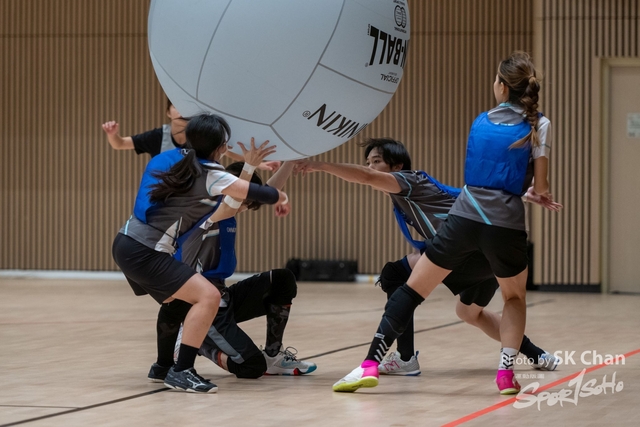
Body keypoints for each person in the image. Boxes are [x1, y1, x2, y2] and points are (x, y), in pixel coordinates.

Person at [326, 51, 553, 394]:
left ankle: (369, 363)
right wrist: (531, 191)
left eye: (496, 79)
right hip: (505, 226)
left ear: (502, 87)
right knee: (513, 299)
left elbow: (480, 177)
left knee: (411, 289)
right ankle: (505, 374)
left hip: (464, 218)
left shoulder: (480, 121)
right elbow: (541, 185)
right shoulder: (540, 125)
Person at [296, 137, 561, 378]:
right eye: (368, 162)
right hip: (484, 259)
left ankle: (405, 358)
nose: (370, 167)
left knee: (395, 274)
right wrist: (523, 194)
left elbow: (365, 177)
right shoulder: (415, 190)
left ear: (397, 166)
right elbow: (467, 195)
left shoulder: (409, 182)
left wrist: (320, 165)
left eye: (376, 161)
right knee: (469, 313)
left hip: (464, 255)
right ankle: (537, 354)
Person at [112, 114, 290, 393]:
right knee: (208, 296)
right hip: (147, 251)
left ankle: (163, 366)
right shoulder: (211, 176)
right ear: (221, 148)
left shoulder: (170, 159)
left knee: (177, 301)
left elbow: (238, 193)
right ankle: (182, 370)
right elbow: (254, 194)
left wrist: (251, 164)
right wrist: (281, 196)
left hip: (125, 242)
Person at [148, 160, 316, 382]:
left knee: (282, 279)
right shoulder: (205, 212)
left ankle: (273, 356)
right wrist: (250, 165)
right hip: (203, 305)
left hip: (223, 297)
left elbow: (264, 192)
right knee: (252, 366)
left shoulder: (228, 211)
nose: (247, 204)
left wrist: (290, 161)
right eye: (245, 197)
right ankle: (197, 342)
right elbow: (239, 194)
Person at [101, 99, 281, 170]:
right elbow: (119, 144)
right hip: (164, 197)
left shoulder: (202, 136)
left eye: (185, 107)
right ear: (168, 112)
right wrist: (112, 134)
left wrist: (260, 165)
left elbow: (230, 153)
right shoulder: (157, 137)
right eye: (175, 106)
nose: (181, 111)